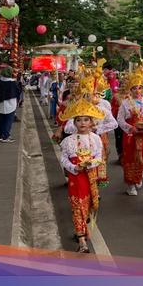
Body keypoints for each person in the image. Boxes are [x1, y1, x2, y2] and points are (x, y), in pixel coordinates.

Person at [58, 98, 104, 253]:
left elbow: (99, 157)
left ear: (91, 122)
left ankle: (82, 229)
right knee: (77, 207)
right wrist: (74, 167)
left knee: (89, 206)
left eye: (86, 120)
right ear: (74, 123)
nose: (83, 123)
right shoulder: (69, 141)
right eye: (79, 120)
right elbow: (63, 159)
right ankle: (82, 240)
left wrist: (90, 164)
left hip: (90, 177)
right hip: (76, 178)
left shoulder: (96, 139)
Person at [117, 64, 143, 196]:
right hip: (131, 134)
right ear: (130, 90)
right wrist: (130, 127)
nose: (138, 90)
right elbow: (120, 119)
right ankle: (130, 184)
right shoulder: (126, 103)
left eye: (140, 88)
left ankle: (139, 175)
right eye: (135, 88)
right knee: (130, 158)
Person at [0, 67, 20, 142]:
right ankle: (5, 136)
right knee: (8, 121)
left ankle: (0, 135)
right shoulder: (12, 82)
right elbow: (17, 93)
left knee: (0, 120)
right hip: (10, 104)